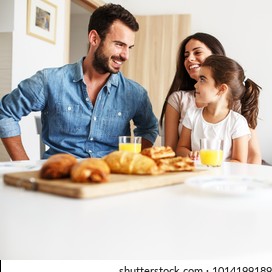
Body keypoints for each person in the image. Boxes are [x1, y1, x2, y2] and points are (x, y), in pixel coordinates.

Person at [0, 3, 159, 160]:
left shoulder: (135, 94)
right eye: (119, 45)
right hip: (60, 178)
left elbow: (149, 128)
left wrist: (134, 163)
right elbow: (5, 113)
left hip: (110, 179)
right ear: (94, 38)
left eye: (129, 47)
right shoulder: (50, 81)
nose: (125, 55)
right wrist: (24, 166)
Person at [160, 32, 262, 164]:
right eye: (186, 55)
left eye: (197, 52)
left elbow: (251, 156)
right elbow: (174, 151)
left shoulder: (237, 110)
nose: (189, 59)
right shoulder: (181, 102)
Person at [176, 55, 261, 163]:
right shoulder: (192, 115)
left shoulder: (237, 122)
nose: (196, 85)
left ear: (221, 89)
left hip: (224, 178)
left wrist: (216, 167)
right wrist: (190, 154)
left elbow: (239, 161)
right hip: (197, 176)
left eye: (202, 79)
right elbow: (180, 148)